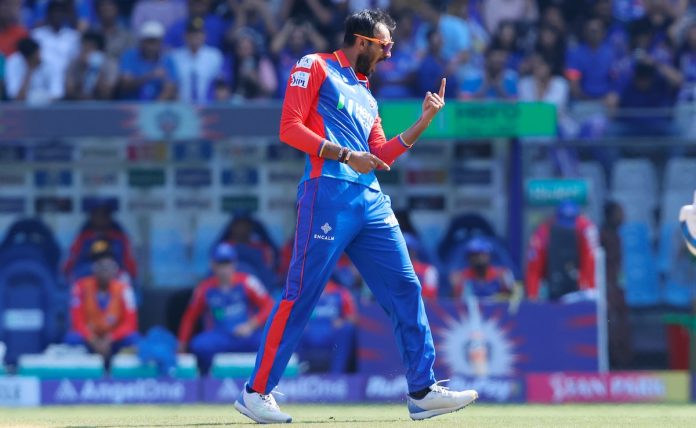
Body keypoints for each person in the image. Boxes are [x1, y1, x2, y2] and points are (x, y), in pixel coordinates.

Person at [234, 9, 477, 424]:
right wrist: (347, 155)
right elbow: (289, 127)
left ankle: (422, 390)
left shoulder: (367, 94)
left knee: (406, 286)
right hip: (327, 191)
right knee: (302, 292)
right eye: (385, 45)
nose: (389, 54)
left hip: (372, 199)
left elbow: (380, 155)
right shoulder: (314, 65)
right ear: (362, 41)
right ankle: (256, 392)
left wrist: (424, 121)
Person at [177, 243, 274, 373]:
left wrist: (250, 325)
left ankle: (261, 379)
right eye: (220, 264)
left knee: (269, 343)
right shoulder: (204, 288)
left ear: (234, 263)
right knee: (198, 345)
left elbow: (270, 306)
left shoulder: (247, 281)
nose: (224, 269)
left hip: (246, 336)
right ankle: (208, 377)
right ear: (213, 265)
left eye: (227, 263)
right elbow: (189, 318)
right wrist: (182, 344)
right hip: (219, 336)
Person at [65, 240, 140, 360]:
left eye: (109, 267)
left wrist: (110, 338)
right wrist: (93, 340)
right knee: (72, 339)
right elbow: (77, 322)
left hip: (114, 340)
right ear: (94, 269)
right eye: (101, 267)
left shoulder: (125, 289)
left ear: (115, 270)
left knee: (134, 339)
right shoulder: (80, 287)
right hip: (90, 339)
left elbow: (130, 324)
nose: (105, 271)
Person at [526, 201, 599, 300]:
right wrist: (532, 296)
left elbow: (590, 261)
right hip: (551, 285)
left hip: (578, 287)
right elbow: (533, 269)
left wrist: (589, 288)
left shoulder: (586, 229)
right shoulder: (543, 232)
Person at [63, 202, 137, 284]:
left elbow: (129, 261)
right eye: (97, 215)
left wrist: (131, 275)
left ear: (109, 216)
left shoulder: (119, 236)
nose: (100, 218)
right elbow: (72, 259)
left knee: (124, 278)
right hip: (87, 273)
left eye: (104, 214)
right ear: (92, 216)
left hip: (114, 273)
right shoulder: (83, 236)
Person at [297, 276, 357, 373]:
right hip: (309, 333)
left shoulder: (341, 293)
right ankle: (297, 373)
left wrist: (343, 321)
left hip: (331, 333)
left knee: (347, 329)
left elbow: (353, 319)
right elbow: (294, 316)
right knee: (295, 329)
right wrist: (301, 322)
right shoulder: (304, 292)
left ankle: (336, 375)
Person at [31, 0, 80, 100]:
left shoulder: (73, 36)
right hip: (42, 89)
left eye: (60, 12)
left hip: (67, 90)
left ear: (65, 15)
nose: (57, 15)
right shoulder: (37, 35)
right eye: (54, 12)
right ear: (48, 15)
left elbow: (76, 63)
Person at [117, 20, 177, 101]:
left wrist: (153, 108)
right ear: (141, 42)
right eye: (148, 42)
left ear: (161, 43)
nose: (151, 46)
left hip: (156, 107)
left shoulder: (167, 60)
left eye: (155, 42)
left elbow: (170, 87)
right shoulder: (129, 56)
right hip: (130, 105)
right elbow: (125, 84)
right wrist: (150, 75)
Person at [170, 17, 224, 103]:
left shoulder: (215, 56)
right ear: (185, 35)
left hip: (208, 106)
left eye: (198, 33)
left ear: (205, 35)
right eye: (192, 33)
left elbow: (220, 84)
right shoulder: (175, 57)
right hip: (182, 106)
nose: (195, 36)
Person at [450, 237, 515, 301]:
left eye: (482, 254)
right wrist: (456, 288)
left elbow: (513, 300)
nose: (479, 258)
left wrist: (506, 288)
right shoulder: (461, 277)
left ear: (489, 255)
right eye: (475, 254)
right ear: (469, 257)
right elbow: (453, 302)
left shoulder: (501, 274)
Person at [4, 37, 63, 103]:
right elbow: (16, 97)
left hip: (48, 106)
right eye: (35, 55)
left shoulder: (51, 63)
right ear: (25, 58)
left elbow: (57, 94)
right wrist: (29, 70)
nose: (39, 56)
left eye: (39, 52)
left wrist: (40, 100)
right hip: (22, 106)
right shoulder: (13, 63)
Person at [64, 31, 118, 100]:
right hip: (77, 104)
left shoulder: (110, 64)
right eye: (84, 47)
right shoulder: (74, 63)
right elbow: (69, 91)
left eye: (90, 47)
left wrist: (94, 68)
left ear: (100, 51)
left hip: (103, 104)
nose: (86, 50)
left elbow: (107, 93)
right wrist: (84, 68)